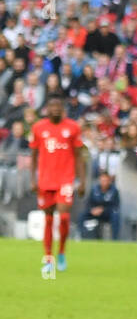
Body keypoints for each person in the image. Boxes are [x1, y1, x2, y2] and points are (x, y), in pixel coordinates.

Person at [30, 97, 88, 275]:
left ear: (63, 109)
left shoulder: (72, 128)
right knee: (48, 219)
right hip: (46, 181)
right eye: (52, 106)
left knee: (63, 217)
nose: (55, 109)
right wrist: (33, 179)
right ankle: (48, 257)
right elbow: (33, 155)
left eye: (58, 106)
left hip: (65, 179)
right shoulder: (39, 128)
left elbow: (79, 156)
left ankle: (61, 251)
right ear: (47, 109)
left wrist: (82, 180)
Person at [79, 171, 121, 240]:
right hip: (95, 212)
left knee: (116, 216)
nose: (104, 182)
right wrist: (92, 210)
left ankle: (115, 239)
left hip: (107, 213)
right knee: (82, 215)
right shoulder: (94, 189)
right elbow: (88, 203)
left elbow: (116, 206)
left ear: (109, 181)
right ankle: (81, 235)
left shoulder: (114, 191)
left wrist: (104, 209)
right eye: (102, 180)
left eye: (106, 180)